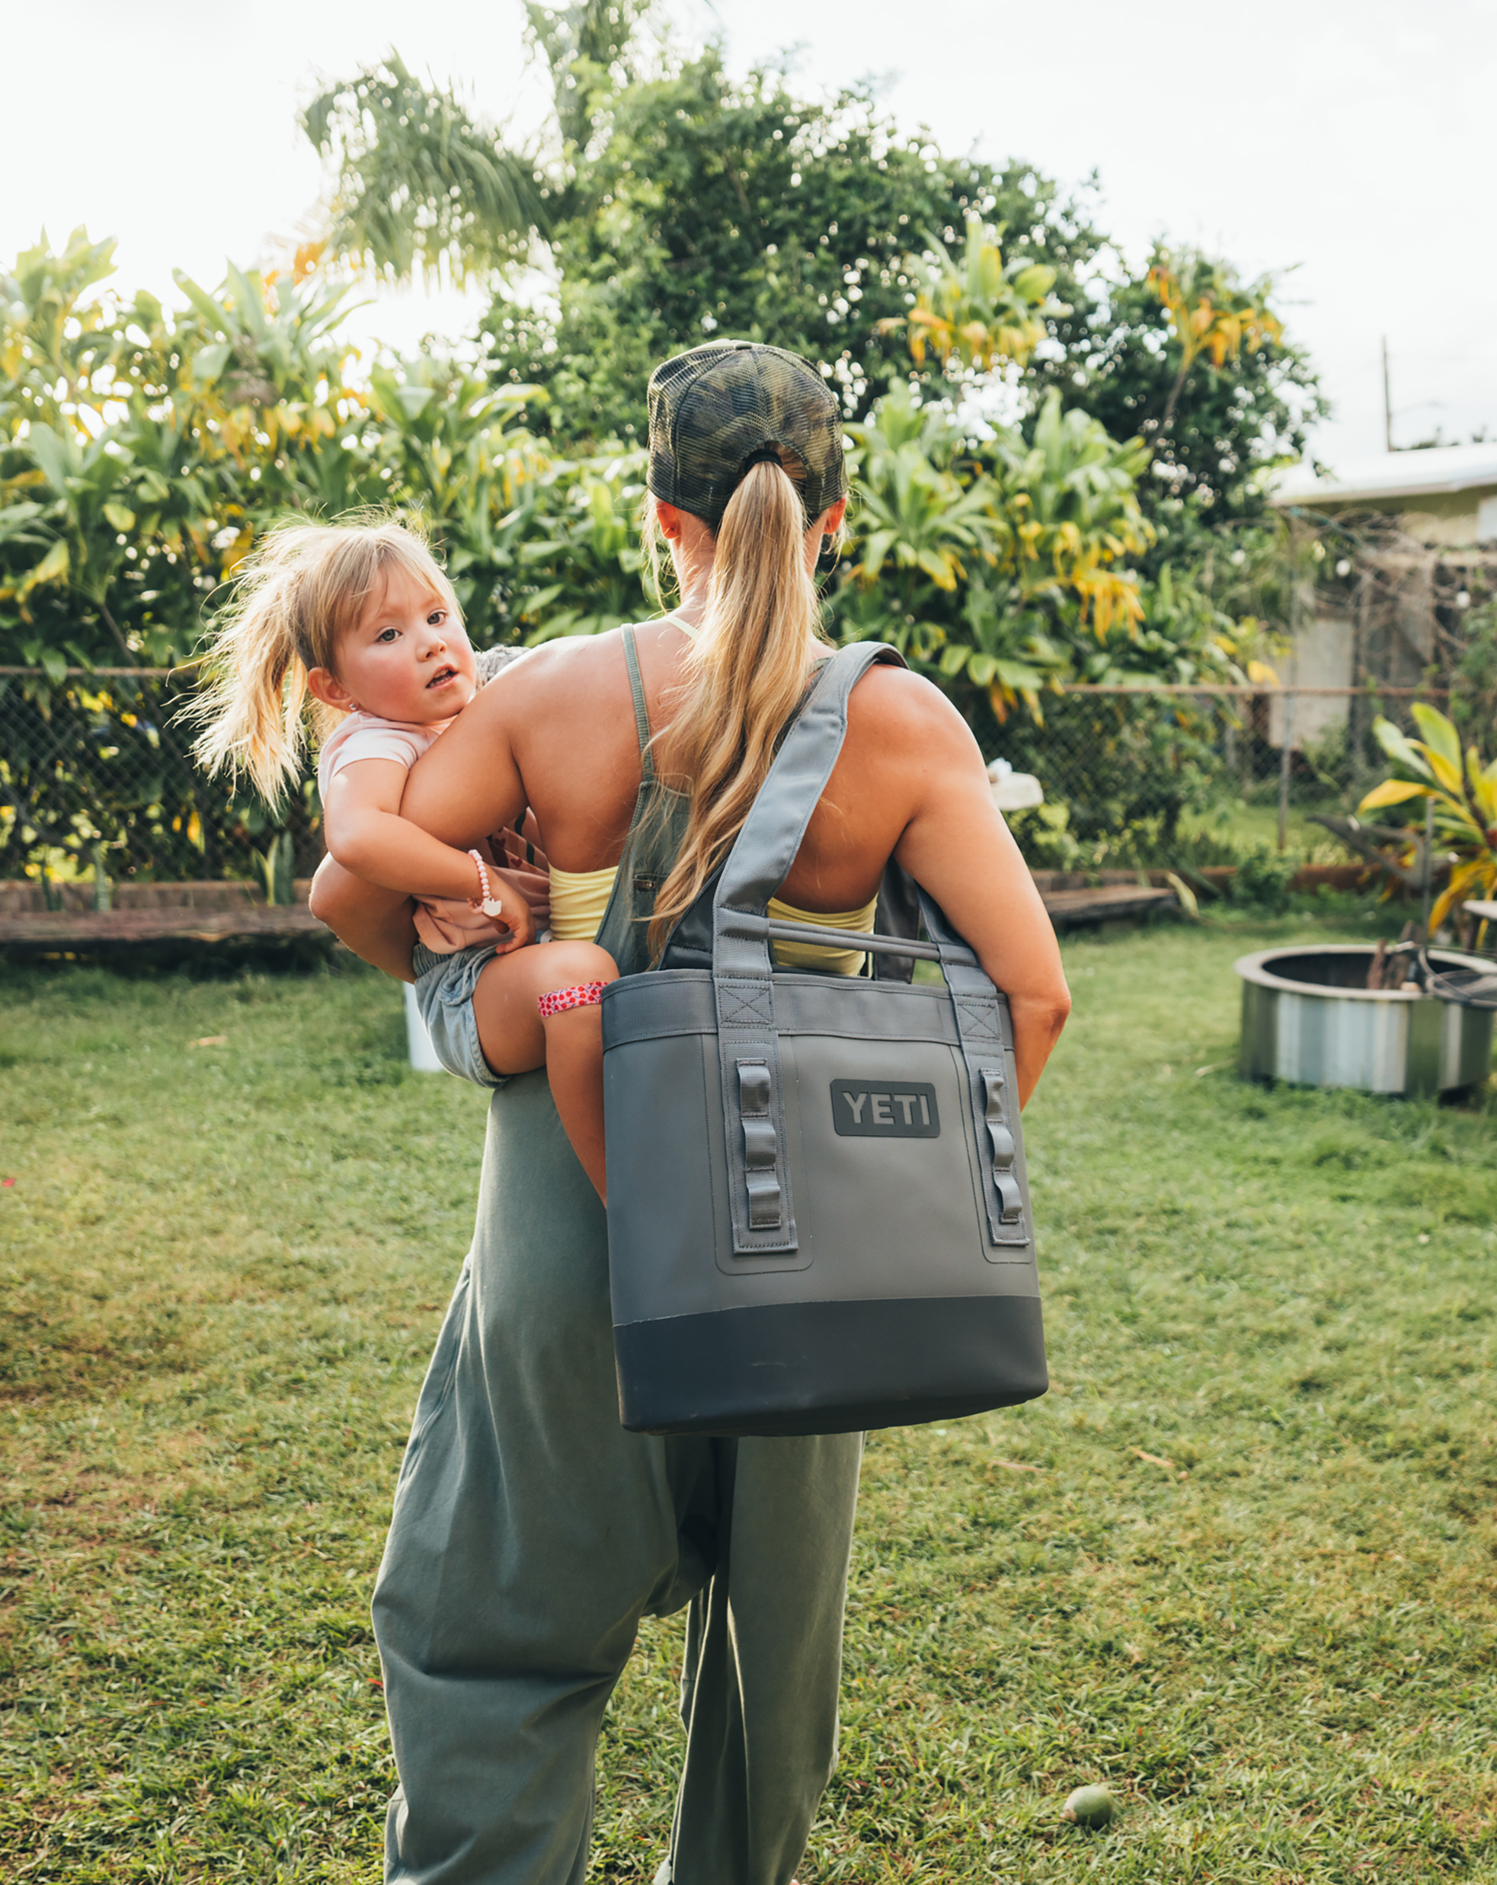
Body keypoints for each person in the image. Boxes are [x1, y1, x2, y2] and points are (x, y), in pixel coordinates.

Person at [309, 339, 1072, 1885]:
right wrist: (893, 1192)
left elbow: (348, 885)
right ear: (834, 521)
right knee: (766, 1678)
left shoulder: (555, 695)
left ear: (665, 521)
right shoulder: (910, 727)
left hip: (569, 1243)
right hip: (823, 1254)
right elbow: (1033, 997)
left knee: (492, 1648)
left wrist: (479, 953)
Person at [191, 517, 619, 1192]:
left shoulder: (487, 693)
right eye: (389, 635)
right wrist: (480, 881)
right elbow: (356, 837)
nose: (429, 644)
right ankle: (625, 1205)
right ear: (335, 688)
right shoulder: (378, 740)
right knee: (581, 978)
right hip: (471, 980)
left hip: (524, 953)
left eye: (436, 615)